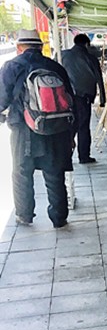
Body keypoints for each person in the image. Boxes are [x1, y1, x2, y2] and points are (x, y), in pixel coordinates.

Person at [0, 30, 74, 228]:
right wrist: (71, 134)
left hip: (24, 129)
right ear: (41, 47)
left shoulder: (11, 67)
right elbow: (69, 100)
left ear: (19, 47)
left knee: (22, 173)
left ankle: (24, 215)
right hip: (55, 128)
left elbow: (2, 98)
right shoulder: (55, 67)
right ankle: (59, 217)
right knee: (54, 172)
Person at [62, 33, 105, 164]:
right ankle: (84, 156)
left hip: (66, 97)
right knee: (83, 127)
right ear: (87, 44)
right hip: (84, 98)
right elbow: (99, 79)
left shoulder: (63, 55)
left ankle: (65, 156)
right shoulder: (91, 58)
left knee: (69, 127)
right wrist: (102, 100)